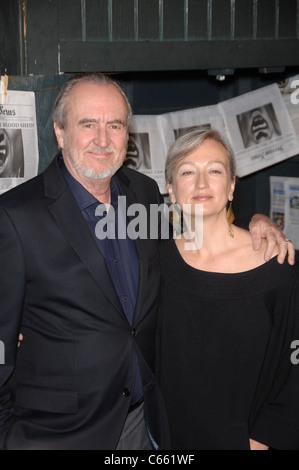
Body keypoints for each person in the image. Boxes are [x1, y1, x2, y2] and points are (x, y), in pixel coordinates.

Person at [0, 73, 294, 450]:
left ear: (128, 134)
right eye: (88, 124)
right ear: (59, 132)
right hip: (58, 435)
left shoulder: (142, 194)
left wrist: (259, 221)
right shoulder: (16, 217)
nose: (103, 139)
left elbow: (202, 218)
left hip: (148, 425)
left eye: (115, 125)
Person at [156, 128, 299, 450]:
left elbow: (293, 374)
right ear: (170, 189)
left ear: (232, 185)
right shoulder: (153, 262)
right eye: (188, 171)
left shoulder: (279, 265)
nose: (202, 183)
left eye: (215, 171)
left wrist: (259, 442)